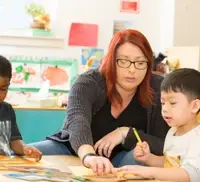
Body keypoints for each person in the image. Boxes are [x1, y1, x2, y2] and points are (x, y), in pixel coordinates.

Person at [31, 29, 169, 174]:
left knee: (141, 160)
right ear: (110, 60)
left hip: (123, 157)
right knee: (17, 156)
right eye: (124, 61)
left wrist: (125, 133)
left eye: (140, 62)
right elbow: (77, 120)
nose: (132, 69)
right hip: (74, 149)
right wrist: (89, 155)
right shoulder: (89, 82)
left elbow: (165, 143)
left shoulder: (158, 87)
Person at [116, 68, 200, 182]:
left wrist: (149, 171)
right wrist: (149, 158)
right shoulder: (172, 132)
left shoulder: (197, 137)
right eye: (162, 102)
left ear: (195, 106)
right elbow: (170, 164)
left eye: (172, 103)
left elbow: (189, 175)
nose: (165, 109)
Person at [0, 55, 42, 161]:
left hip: (5, 169)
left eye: (3, 89)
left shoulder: (7, 109)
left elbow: (15, 142)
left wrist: (24, 148)